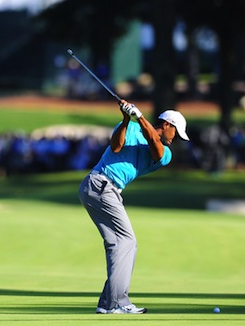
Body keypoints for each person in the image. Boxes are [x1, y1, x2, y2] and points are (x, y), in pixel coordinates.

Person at [78, 100, 190, 314]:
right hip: (99, 184)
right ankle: (117, 302)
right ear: (167, 124)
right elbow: (116, 146)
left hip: (104, 190)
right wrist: (125, 120)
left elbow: (154, 145)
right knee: (127, 241)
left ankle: (107, 303)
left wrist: (138, 117)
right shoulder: (132, 128)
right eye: (176, 133)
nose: (175, 139)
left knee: (117, 243)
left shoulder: (165, 154)